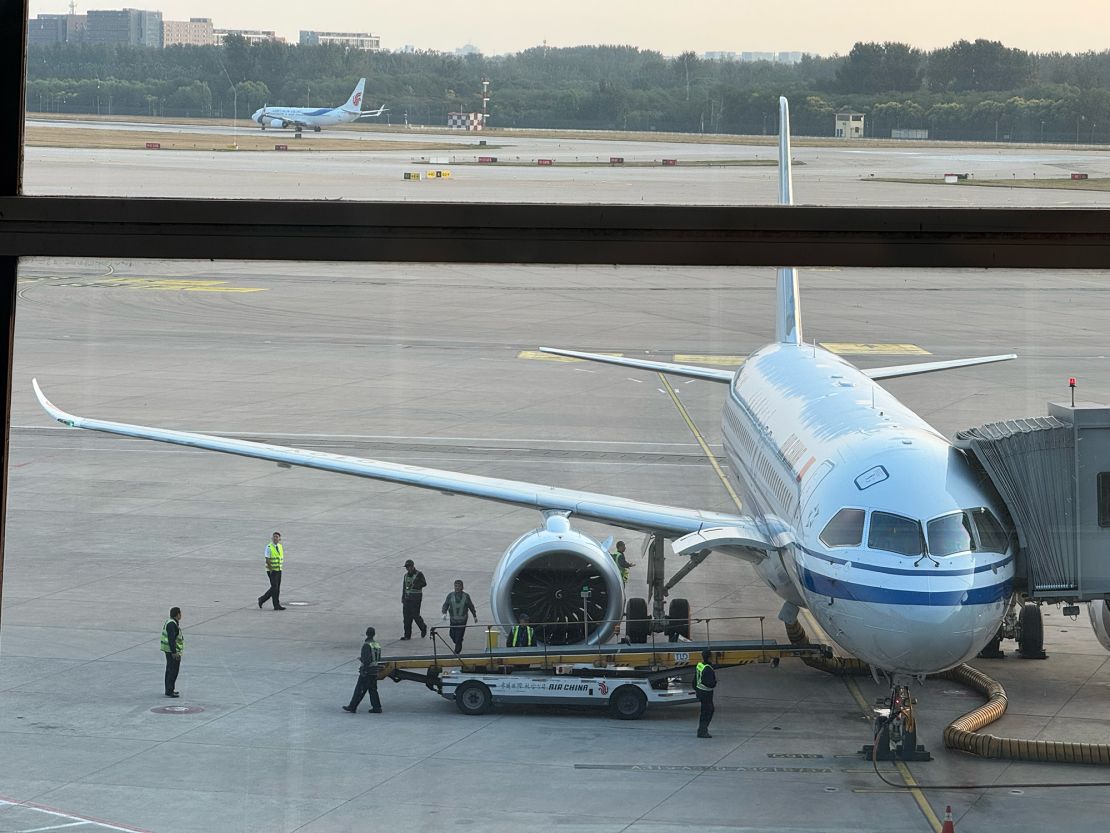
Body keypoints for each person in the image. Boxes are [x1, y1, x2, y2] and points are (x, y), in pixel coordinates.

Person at [343, 627, 383, 714]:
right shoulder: (376, 645)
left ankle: (352, 707)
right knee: (372, 689)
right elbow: (377, 658)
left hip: (368, 671)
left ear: (366, 633)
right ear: (374, 634)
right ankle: (377, 707)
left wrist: (364, 669)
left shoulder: (366, 645)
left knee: (359, 689)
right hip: (374, 669)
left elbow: (366, 659)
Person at [442, 579, 478, 654]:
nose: (457, 588)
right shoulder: (450, 595)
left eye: (459, 586)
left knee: (458, 636)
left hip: (462, 620)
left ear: (462, 587)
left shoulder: (466, 596)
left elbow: (471, 606)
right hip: (453, 620)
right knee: (452, 635)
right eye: (455, 586)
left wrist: (474, 616)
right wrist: (444, 613)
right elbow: (445, 605)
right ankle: (459, 642)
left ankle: (457, 651)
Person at [257, 531, 286, 610]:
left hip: (279, 569)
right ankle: (264, 600)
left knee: (277, 588)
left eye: (277, 537)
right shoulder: (269, 547)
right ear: (272, 538)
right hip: (272, 570)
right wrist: (271, 569)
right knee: (274, 587)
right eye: (274, 537)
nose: (275, 538)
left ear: (280, 539)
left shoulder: (280, 546)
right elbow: (267, 558)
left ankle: (275, 604)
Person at [401, 559, 427, 640]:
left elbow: (424, 583)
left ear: (412, 566)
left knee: (415, 615)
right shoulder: (405, 576)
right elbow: (404, 587)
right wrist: (403, 597)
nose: (408, 568)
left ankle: (423, 627)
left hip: (416, 599)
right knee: (406, 618)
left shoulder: (419, 574)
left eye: (409, 567)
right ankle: (407, 635)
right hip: (407, 599)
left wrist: (416, 585)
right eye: (406, 567)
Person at [160, 606, 184, 697]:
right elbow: (171, 639)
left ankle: (169, 689)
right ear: (177, 614)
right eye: (180, 613)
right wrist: (174, 652)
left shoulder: (171, 622)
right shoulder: (172, 624)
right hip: (172, 651)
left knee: (170, 670)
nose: (181, 615)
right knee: (173, 670)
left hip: (169, 650)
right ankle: (170, 690)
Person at [695, 649, 717, 738]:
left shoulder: (700, 665)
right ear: (709, 657)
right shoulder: (708, 669)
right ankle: (702, 731)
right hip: (706, 693)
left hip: (700, 691)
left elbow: (696, 679)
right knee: (708, 711)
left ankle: (702, 730)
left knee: (705, 711)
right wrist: (715, 682)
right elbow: (709, 683)